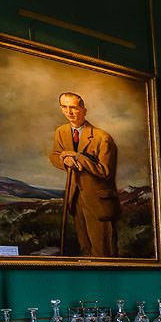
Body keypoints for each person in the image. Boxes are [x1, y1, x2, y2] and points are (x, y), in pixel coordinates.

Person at [48, 92, 122, 257]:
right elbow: (55, 155)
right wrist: (64, 159)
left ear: (84, 110)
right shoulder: (61, 131)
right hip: (75, 199)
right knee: (85, 250)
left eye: (74, 107)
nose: (69, 112)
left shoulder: (103, 138)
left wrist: (78, 157)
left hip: (99, 202)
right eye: (64, 107)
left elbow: (105, 171)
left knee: (103, 252)